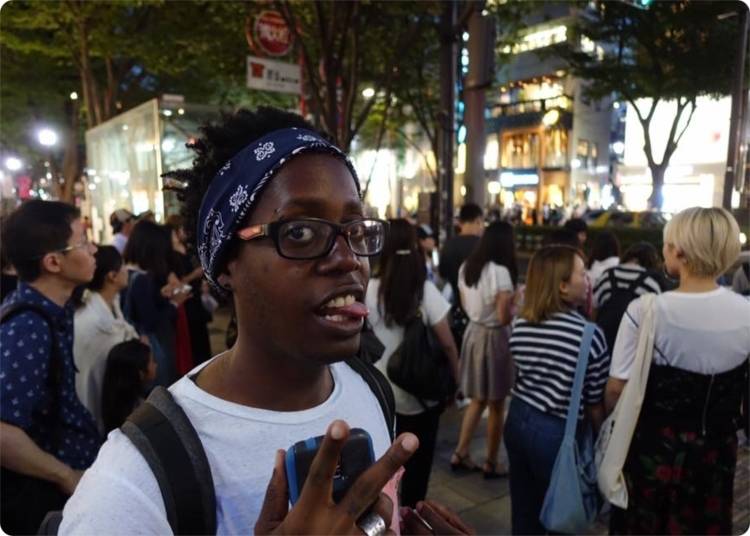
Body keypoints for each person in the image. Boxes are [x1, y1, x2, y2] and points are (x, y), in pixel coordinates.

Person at [60, 107, 470, 535]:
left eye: (354, 229)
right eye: (299, 232)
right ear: (225, 265)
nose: (349, 258)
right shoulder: (133, 485)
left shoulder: (371, 388)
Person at [605, 207, 749, 535]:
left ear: (680, 251)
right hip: (716, 456)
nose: (664, 250)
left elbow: (616, 389)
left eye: (667, 244)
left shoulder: (646, 311)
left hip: (651, 454)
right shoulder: (747, 313)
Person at [0, 200, 101, 534]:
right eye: (84, 241)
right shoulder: (27, 326)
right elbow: (3, 432)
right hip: (46, 502)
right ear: (54, 262)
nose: (94, 248)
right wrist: (66, 475)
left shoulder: (55, 309)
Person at [502, 245, 609, 534]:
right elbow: (596, 403)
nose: (588, 281)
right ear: (563, 286)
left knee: (524, 511)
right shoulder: (588, 336)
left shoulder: (521, 323)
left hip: (518, 418)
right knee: (562, 513)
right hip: (557, 433)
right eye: (583, 274)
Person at [366, 219, 459, 507]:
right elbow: (446, 343)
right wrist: (456, 380)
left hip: (381, 397)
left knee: (385, 469)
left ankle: (387, 516)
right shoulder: (425, 290)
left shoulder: (369, 289)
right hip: (421, 398)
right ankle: (412, 517)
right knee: (418, 472)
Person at [451, 221, 518, 478]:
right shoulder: (500, 272)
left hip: (473, 333)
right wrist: (516, 302)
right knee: (497, 403)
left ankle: (460, 452)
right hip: (494, 338)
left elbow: (466, 304)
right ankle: (491, 461)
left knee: (478, 399)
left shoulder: (467, 267)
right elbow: (503, 317)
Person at [73, 245, 139, 434]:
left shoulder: (112, 303)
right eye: (123, 265)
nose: (127, 270)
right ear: (112, 276)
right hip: (93, 408)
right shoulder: (90, 320)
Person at [122, 220, 190, 387]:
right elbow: (151, 321)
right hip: (151, 345)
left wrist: (159, 295)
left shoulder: (127, 272)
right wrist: (174, 303)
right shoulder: (141, 278)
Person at [592, 241, 663, 350]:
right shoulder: (651, 282)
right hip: (634, 346)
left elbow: (594, 308)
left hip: (602, 341)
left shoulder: (607, 275)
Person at [166, 215, 212, 364]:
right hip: (186, 302)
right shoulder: (170, 255)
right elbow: (178, 282)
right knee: (193, 341)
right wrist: (194, 275)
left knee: (202, 339)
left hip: (196, 298)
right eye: (180, 229)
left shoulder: (187, 248)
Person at [438, 203, 484, 347]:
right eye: (481, 223)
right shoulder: (483, 245)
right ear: (477, 220)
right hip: (480, 312)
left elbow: (442, 274)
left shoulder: (449, 245)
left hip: (455, 310)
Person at [101, 339, 156, 433]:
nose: (155, 365)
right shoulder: (142, 415)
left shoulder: (113, 406)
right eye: (152, 361)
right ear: (141, 374)